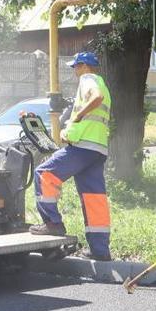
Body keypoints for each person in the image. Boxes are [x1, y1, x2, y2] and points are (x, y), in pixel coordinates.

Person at [29, 51, 113, 261]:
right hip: (97, 149)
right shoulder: (102, 82)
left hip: (82, 147)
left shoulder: (88, 79)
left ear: (84, 66)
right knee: (94, 199)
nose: (74, 71)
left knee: (43, 174)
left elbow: (96, 98)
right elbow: (101, 99)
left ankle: (53, 223)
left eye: (76, 66)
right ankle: (100, 250)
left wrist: (77, 115)